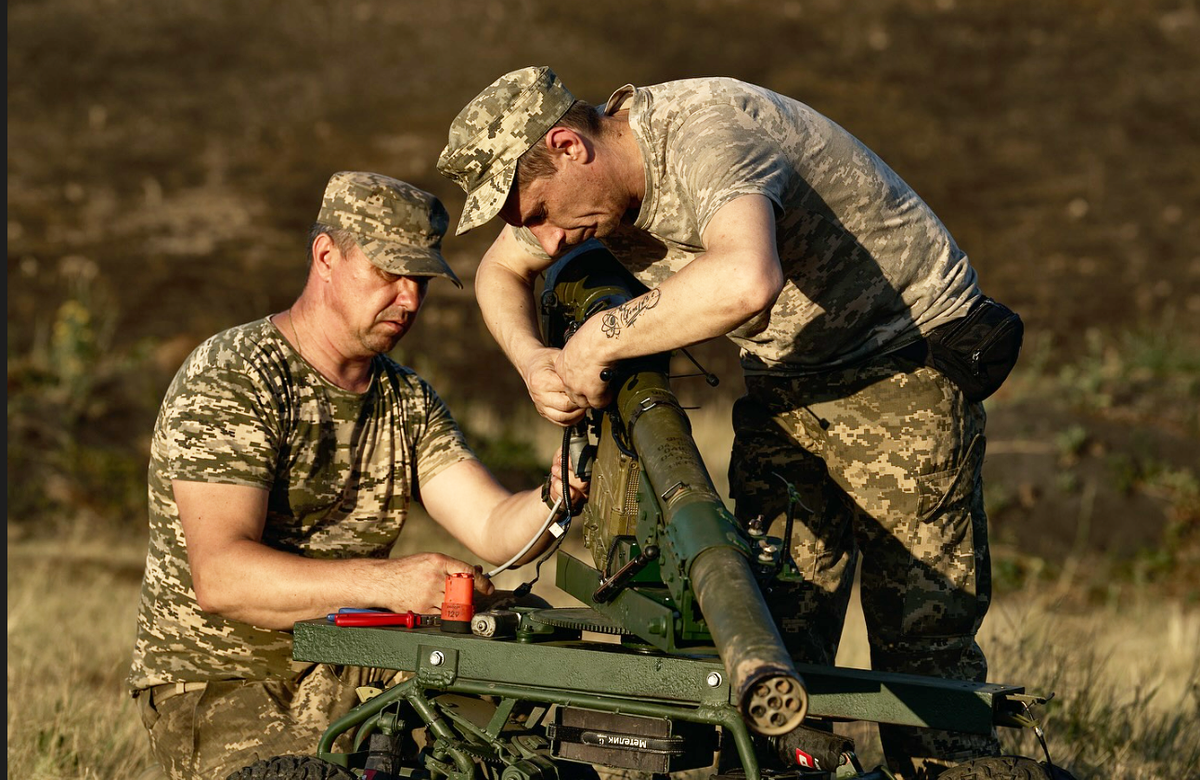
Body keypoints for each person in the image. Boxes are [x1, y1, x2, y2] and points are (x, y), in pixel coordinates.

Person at [437, 66, 1023, 779]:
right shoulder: (581, 194)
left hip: (902, 365)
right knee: (768, 622)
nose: (549, 241)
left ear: (568, 146)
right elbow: (499, 273)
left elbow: (748, 280)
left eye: (538, 213)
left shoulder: (706, 137)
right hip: (789, 381)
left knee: (921, 637)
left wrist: (598, 340)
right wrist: (535, 363)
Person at [127, 171, 586, 780]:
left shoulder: (406, 399)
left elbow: (495, 526)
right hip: (227, 676)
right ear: (326, 256)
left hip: (357, 661)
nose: (409, 300)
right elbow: (222, 578)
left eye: (421, 281)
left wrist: (556, 496)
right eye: (389, 273)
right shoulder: (234, 375)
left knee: (515, 715)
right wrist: (390, 583)